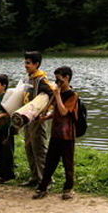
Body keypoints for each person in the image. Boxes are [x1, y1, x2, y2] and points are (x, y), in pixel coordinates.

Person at [33, 65, 79, 200]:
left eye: (59, 79)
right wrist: (45, 117)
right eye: (56, 80)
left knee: (68, 163)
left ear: (67, 78)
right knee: (50, 162)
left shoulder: (72, 95)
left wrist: (57, 95)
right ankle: (43, 187)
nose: (57, 82)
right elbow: (56, 111)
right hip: (56, 133)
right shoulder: (57, 94)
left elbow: (64, 111)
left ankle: (68, 188)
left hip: (67, 135)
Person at [21, 50, 54, 187]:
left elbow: (53, 95)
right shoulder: (29, 78)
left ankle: (46, 180)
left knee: (40, 150)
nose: (25, 65)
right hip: (27, 120)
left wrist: (45, 113)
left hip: (37, 121)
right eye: (25, 62)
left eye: (28, 63)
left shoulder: (42, 80)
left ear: (36, 64)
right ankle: (35, 177)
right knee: (29, 148)